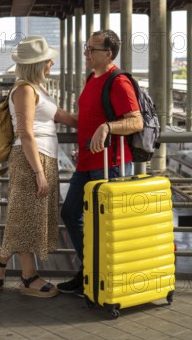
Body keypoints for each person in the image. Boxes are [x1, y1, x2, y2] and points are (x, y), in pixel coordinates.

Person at [0, 36, 77, 298]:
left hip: (44, 158)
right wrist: (38, 172)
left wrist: (100, 124)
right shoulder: (24, 90)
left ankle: (0, 263)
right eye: (48, 60)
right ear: (37, 64)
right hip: (29, 160)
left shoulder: (39, 89)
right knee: (25, 219)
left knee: (30, 219)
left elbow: (63, 117)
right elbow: (25, 132)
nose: (52, 63)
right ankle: (25, 277)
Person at [57, 29, 143, 295]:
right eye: (86, 47)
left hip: (111, 164)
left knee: (106, 226)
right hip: (85, 163)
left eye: (91, 49)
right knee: (70, 213)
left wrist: (107, 127)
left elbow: (136, 121)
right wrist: (53, 114)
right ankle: (91, 271)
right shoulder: (90, 79)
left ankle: (103, 280)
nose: (86, 53)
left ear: (108, 53)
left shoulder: (118, 81)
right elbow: (85, 119)